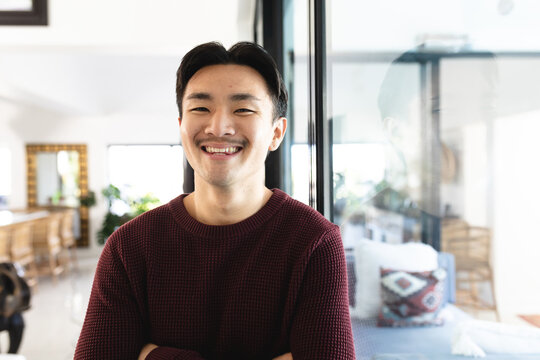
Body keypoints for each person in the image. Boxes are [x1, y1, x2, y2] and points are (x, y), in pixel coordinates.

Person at [74, 41, 355, 360]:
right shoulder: (130, 247)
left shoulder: (315, 242)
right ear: (181, 126)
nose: (219, 127)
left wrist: (153, 355)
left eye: (243, 109)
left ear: (276, 133)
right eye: (200, 108)